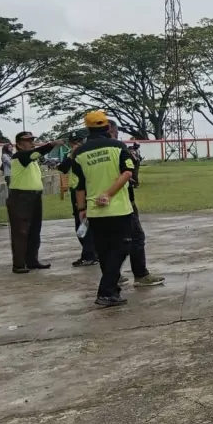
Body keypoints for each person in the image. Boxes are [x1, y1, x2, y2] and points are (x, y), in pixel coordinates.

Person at [70, 111, 136, 307]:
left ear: (88, 129)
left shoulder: (79, 153)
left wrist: (81, 208)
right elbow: (127, 172)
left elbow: (79, 185)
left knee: (105, 251)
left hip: (94, 211)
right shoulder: (118, 146)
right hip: (119, 209)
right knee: (123, 247)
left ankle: (112, 291)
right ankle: (106, 291)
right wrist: (108, 193)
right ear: (107, 127)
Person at [107, 119, 165, 288]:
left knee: (110, 242)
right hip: (121, 201)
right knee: (135, 237)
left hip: (98, 205)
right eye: (115, 133)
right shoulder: (117, 148)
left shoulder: (86, 151)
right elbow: (128, 172)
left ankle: (113, 275)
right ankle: (140, 274)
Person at [7, 131, 62, 273]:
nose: (31, 143)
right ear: (19, 144)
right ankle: (18, 264)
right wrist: (51, 144)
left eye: (32, 140)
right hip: (21, 197)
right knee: (21, 231)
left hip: (34, 196)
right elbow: (37, 153)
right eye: (28, 141)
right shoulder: (20, 156)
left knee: (34, 230)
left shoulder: (30, 159)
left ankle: (32, 260)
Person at [58, 134, 99, 267]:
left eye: (80, 141)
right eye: (75, 142)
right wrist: (71, 155)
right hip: (75, 190)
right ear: (70, 143)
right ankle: (91, 253)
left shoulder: (88, 153)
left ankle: (89, 255)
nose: (78, 144)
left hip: (87, 190)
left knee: (85, 223)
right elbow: (63, 168)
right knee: (81, 221)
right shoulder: (70, 154)